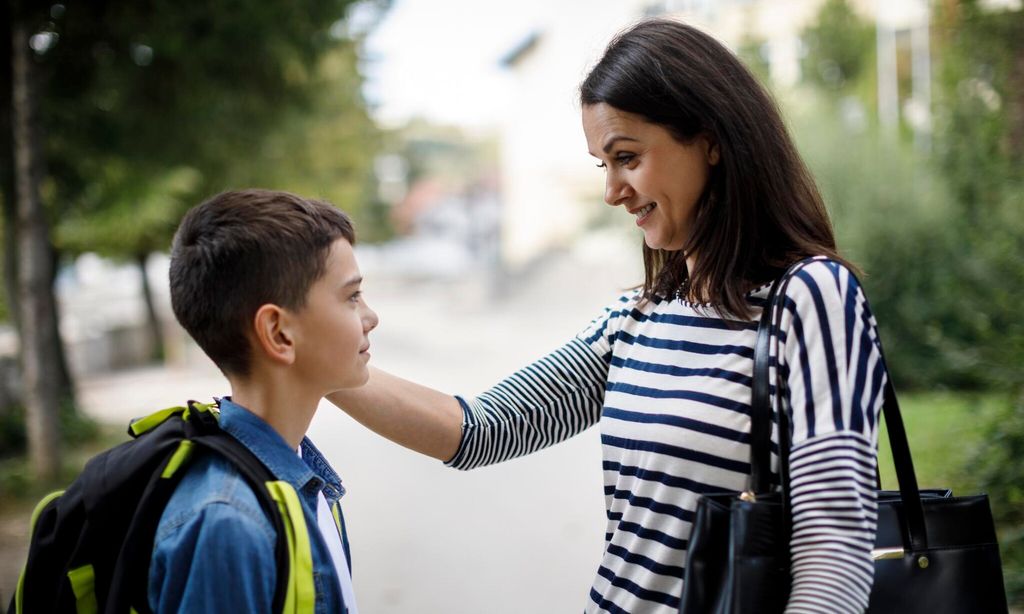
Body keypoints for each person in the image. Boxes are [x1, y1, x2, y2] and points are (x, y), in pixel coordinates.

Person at [330, 18, 886, 614]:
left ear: (712, 141)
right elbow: (481, 428)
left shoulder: (809, 299)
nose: (612, 191)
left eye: (627, 157)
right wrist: (318, 365)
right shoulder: (637, 317)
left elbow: (836, 551)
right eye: (603, 164)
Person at [151, 189, 379, 613]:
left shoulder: (300, 473)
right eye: (351, 297)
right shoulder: (229, 525)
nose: (371, 316)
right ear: (278, 333)